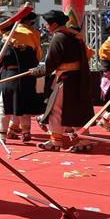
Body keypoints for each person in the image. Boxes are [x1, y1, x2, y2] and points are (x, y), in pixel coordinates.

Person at [29, 10, 94, 152]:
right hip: (77, 78)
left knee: (55, 109)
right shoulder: (75, 37)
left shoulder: (59, 38)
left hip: (66, 79)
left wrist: (37, 71)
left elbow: (51, 63)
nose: (46, 27)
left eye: (47, 24)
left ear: (54, 24)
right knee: (77, 109)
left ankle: (55, 142)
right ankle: (84, 140)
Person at [0, 12, 44, 143]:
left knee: (4, 105)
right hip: (28, 76)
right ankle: (26, 131)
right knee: (23, 104)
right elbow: (36, 59)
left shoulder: (5, 43)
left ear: (1, 29)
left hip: (11, 77)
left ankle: (1, 135)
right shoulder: (30, 42)